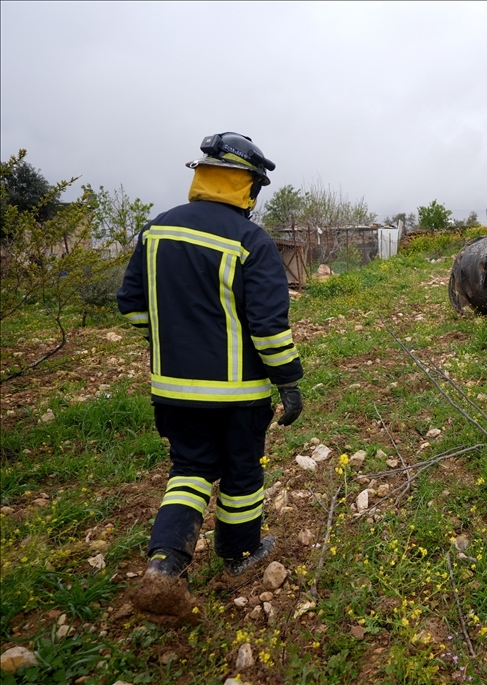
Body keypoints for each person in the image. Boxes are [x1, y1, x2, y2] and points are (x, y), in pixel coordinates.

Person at [117, 132, 303, 584]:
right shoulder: (250, 241)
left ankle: (165, 561)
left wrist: (167, 342)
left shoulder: (156, 229)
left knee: (190, 469)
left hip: (173, 389)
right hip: (238, 395)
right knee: (241, 474)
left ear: (203, 175)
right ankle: (240, 553)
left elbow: (133, 304)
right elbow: (268, 326)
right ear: (248, 186)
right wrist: (289, 382)